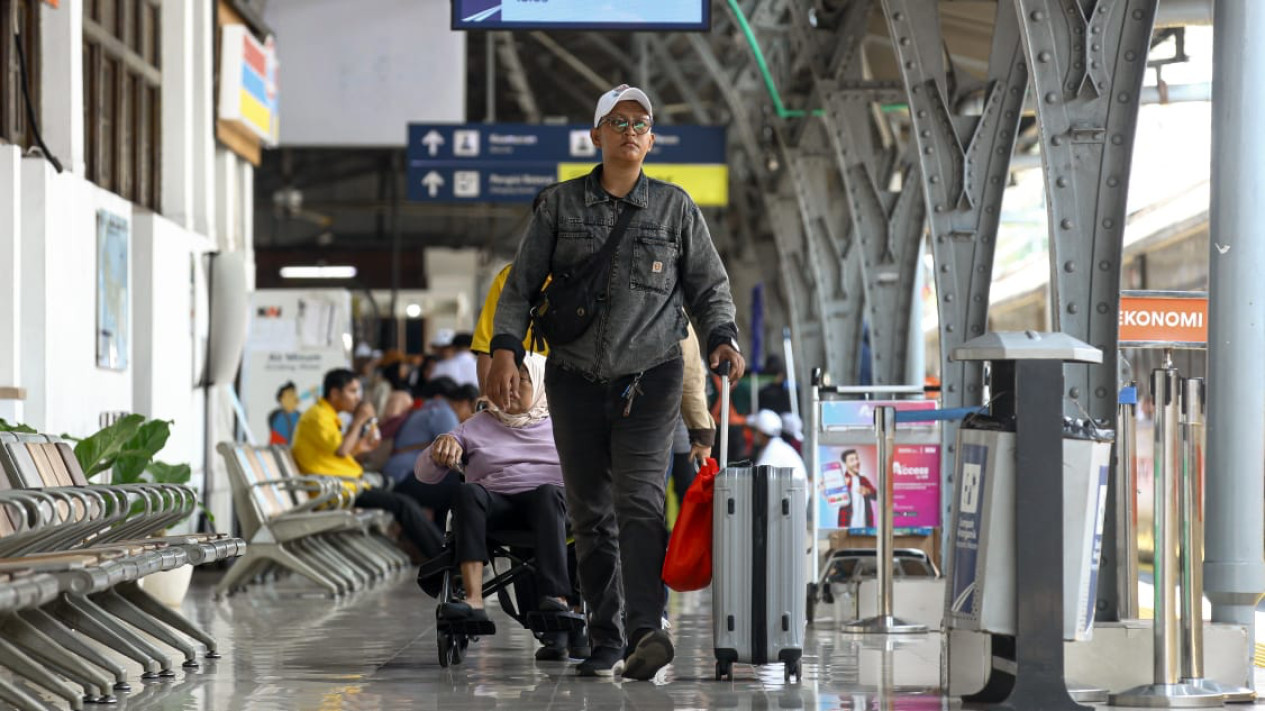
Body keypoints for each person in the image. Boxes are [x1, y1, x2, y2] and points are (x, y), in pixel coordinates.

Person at [486, 84, 744, 680]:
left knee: (638, 503)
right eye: (619, 121)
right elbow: (521, 288)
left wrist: (721, 337)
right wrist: (506, 351)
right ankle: (604, 634)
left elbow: (710, 287)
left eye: (642, 123)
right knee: (589, 513)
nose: (631, 130)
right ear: (597, 135)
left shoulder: (677, 209)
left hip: (651, 378)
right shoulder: (559, 206)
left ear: (651, 141)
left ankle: (647, 629)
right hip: (573, 378)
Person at [415, 353, 570, 627]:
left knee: (549, 492)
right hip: (494, 509)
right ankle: (473, 599)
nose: (508, 387)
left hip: (549, 509)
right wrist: (442, 445)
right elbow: (424, 475)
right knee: (467, 492)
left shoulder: (564, 425)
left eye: (519, 380)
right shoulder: (477, 424)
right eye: (502, 379)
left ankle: (555, 598)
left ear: (541, 384)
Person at [291, 368, 444, 560]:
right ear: (335, 393)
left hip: (346, 484)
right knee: (403, 504)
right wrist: (359, 420)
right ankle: (442, 557)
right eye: (352, 391)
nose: (357, 397)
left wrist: (363, 445)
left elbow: (340, 453)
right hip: (335, 490)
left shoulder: (328, 416)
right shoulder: (317, 417)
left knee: (405, 500)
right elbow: (342, 451)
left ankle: (440, 554)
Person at [749, 409, 807, 479]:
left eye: (754, 430)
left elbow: (755, 479)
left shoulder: (774, 450)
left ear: (761, 432)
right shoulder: (775, 446)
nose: (753, 434)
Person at [836, 448, 878, 529]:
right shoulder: (841, 480)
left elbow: (876, 496)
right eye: (852, 460)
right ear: (846, 463)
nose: (856, 462)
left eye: (857, 458)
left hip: (865, 527)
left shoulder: (863, 479)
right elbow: (832, 499)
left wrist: (868, 491)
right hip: (847, 528)